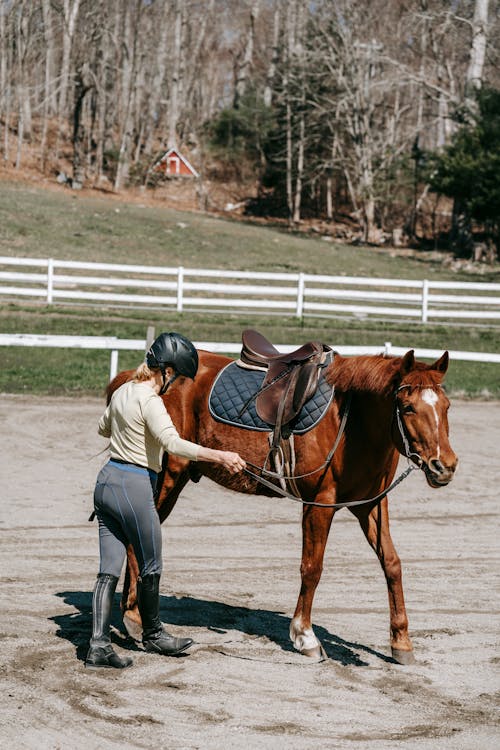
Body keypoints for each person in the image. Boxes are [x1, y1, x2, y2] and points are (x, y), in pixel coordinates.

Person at [85, 331, 246, 670]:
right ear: (167, 372)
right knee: (151, 564)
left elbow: (103, 428)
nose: (176, 386)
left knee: (107, 571)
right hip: (134, 486)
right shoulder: (151, 401)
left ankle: (98, 647)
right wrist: (220, 456)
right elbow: (174, 444)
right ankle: (154, 634)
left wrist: (128, 433)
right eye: (178, 378)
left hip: (107, 483)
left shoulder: (124, 391)